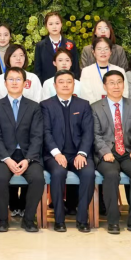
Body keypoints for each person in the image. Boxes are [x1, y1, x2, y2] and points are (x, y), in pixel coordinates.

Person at [0, 66, 44, 233]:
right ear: (5, 83)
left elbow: (37, 136)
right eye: (11, 79)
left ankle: (28, 219)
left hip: (28, 155)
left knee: (38, 178)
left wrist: (28, 159)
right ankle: (2, 220)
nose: (14, 82)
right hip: (4, 155)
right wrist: (7, 159)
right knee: (0, 178)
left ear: (25, 83)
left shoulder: (34, 107)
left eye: (18, 79)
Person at [92, 71, 131, 235]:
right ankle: (113, 221)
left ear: (124, 85)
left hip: (128, 152)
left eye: (119, 82)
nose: (116, 86)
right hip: (106, 153)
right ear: (105, 86)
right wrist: (104, 152)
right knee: (111, 175)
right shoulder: (95, 107)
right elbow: (95, 135)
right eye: (111, 83)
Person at [41, 70, 95, 233]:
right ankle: (59, 220)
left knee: (88, 173)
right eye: (61, 82)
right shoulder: (46, 105)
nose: (65, 85)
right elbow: (45, 132)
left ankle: (82, 219)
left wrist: (82, 153)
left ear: (74, 84)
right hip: (54, 155)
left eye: (69, 81)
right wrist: (57, 153)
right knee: (58, 173)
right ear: (54, 85)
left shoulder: (83, 105)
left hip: (78, 154)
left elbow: (88, 132)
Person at [32, 12, 80, 84]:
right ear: (46, 26)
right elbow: (37, 70)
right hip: (47, 85)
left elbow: (75, 69)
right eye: (51, 24)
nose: (54, 27)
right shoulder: (40, 46)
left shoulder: (70, 44)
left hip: (67, 85)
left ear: (61, 24)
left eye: (57, 23)